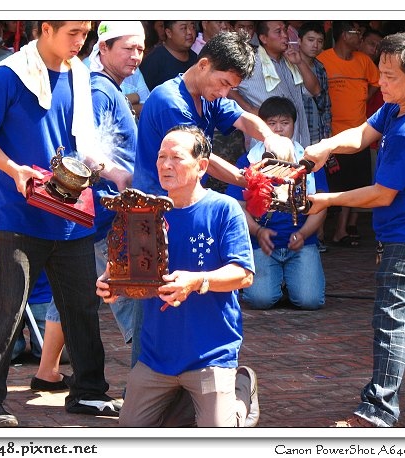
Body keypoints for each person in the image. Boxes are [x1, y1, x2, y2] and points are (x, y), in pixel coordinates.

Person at [0, 20, 122, 427]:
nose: (80, 41)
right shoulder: (9, 75)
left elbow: (84, 144)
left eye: (85, 33)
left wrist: (113, 171)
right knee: (7, 307)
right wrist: (14, 169)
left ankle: (88, 391)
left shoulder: (81, 74)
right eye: (73, 32)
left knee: (82, 308)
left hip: (70, 212)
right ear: (45, 29)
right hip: (19, 213)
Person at [304, 31, 405, 427]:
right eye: (381, 72)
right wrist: (327, 145)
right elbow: (363, 133)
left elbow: (381, 195)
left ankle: (377, 411)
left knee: (391, 324)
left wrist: (327, 200)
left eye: (390, 76)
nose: (381, 82)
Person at [97, 125, 259, 427]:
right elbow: (130, 272)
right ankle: (182, 409)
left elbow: (244, 275)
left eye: (176, 157)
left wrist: (197, 281)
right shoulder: (146, 210)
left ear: (202, 166)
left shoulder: (224, 209)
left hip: (210, 354)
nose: (165, 164)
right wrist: (112, 283)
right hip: (156, 356)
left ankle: (239, 394)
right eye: (161, 156)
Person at [132, 29, 296, 197]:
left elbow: (242, 119)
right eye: (223, 83)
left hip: (185, 196)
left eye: (230, 88)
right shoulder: (170, 102)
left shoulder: (208, 95)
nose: (224, 93)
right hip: (156, 202)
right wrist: (256, 181)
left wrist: (271, 138)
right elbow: (201, 159)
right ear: (203, 65)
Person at [226, 96, 327, 311]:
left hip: (302, 242)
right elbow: (239, 205)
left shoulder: (311, 160)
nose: (279, 129)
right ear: (262, 127)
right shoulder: (248, 161)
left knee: (311, 301)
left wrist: (303, 233)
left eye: (284, 123)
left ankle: (292, 282)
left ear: (294, 124)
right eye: (271, 124)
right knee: (260, 300)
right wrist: (258, 230)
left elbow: (321, 205)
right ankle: (280, 283)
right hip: (261, 243)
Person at [88, 20, 145, 367]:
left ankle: (49, 370)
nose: (136, 55)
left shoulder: (110, 88)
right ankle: (146, 384)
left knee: (77, 297)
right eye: (128, 47)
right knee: (132, 297)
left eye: (140, 48)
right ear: (103, 48)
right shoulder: (100, 91)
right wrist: (118, 174)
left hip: (114, 214)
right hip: (109, 216)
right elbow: (85, 150)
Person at [316, 20, 380, 247]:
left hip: (359, 134)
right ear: (344, 35)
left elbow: (376, 82)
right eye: (356, 33)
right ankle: (319, 231)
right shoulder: (323, 58)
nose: (360, 38)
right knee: (326, 184)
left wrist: (364, 96)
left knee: (353, 185)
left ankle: (340, 231)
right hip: (331, 135)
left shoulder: (364, 61)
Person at [227, 20, 315, 149]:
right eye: (278, 32)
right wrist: (249, 108)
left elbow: (315, 90)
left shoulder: (290, 60)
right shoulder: (249, 61)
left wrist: (300, 63)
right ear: (263, 38)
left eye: (285, 30)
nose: (285, 35)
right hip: (266, 145)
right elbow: (226, 86)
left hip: (298, 141)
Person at [296, 21, 334, 252]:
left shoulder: (320, 67)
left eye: (320, 41)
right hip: (294, 133)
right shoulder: (289, 64)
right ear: (299, 40)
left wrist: (327, 135)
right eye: (310, 40)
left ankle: (316, 235)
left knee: (317, 185)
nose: (315, 45)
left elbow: (325, 103)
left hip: (315, 135)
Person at [139, 20, 198, 91]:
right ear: (169, 33)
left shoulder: (196, 58)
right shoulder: (154, 61)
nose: (190, 32)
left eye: (193, 27)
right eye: (183, 28)